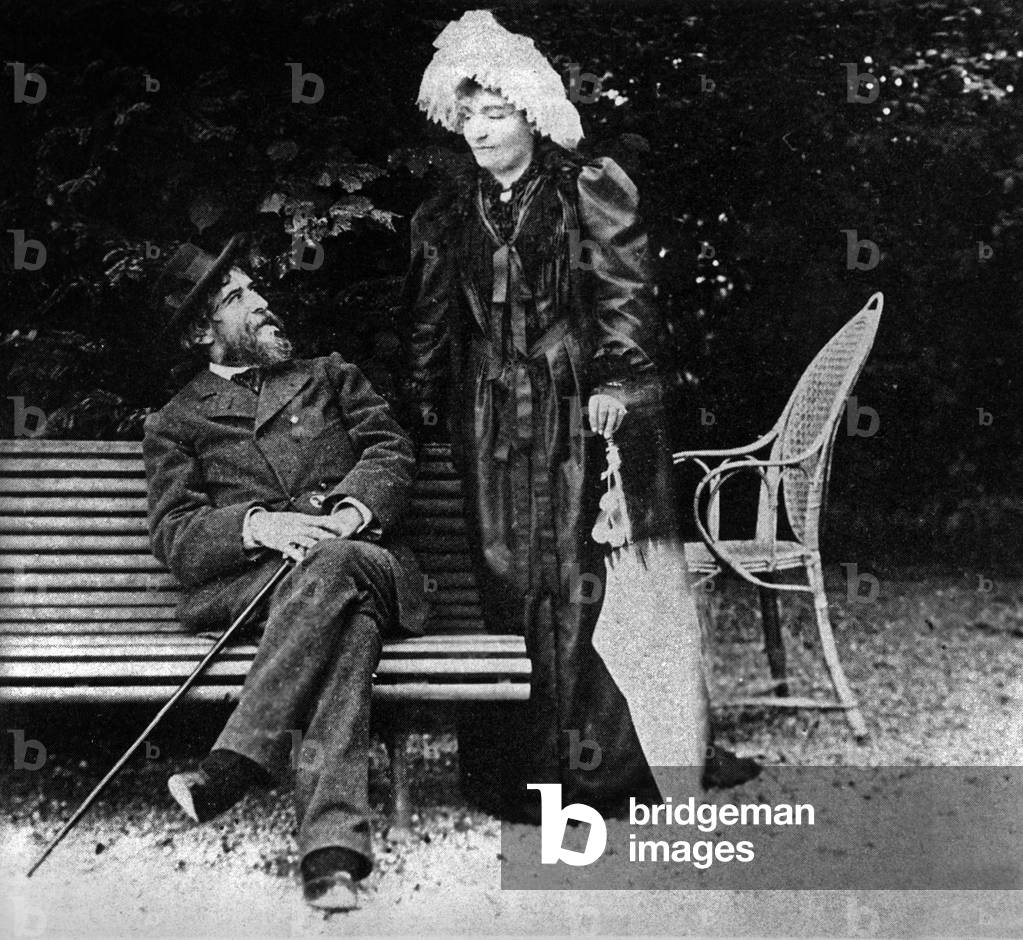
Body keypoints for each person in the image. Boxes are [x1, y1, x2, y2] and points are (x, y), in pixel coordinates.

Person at [404, 10, 675, 819]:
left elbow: (624, 292)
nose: (480, 131)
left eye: (495, 113)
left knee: (574, 575)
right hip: (487, 411)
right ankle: (515, 774)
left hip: (570, 403)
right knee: (503, 574)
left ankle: (593, 774)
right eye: (469, 117)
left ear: (531, 116)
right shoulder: (448, 212)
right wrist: (422, 403)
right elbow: (432, 319)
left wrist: (616, 382)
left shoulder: (584, 188)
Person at [143, 234, 426, 911]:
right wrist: (260, 527)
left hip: (366, 560)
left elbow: (390, 450)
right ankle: (332, 856)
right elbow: (175, 533)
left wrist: (350, 514)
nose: (262, 301)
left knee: (332, 566)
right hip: (262, 588)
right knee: (348, 628)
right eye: (238, 297)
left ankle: (236, 762)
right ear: (201, 333)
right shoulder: (176, 421)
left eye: (255, 288)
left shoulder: (329, 375)